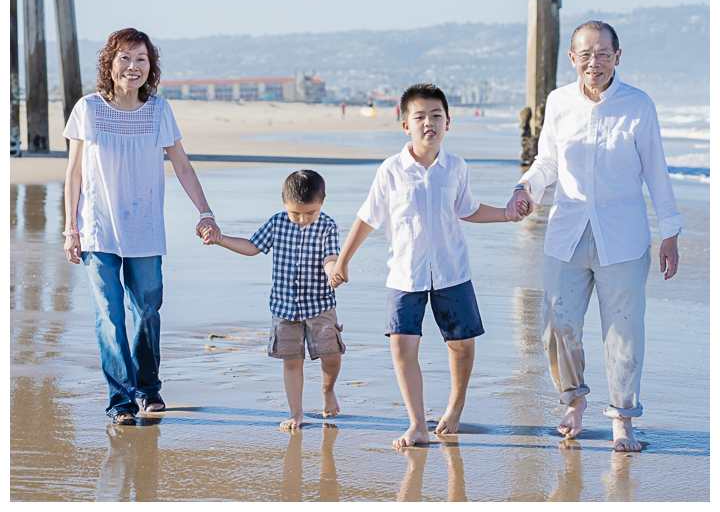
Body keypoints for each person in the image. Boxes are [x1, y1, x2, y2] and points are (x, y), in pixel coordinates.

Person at [506, 21, 683, 454]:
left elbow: (656, 171)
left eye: (603, 53)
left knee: (623, 334)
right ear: (572, 59)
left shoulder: (639, 106)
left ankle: (623, 420)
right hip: (567, 233)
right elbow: (546, 161)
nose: (594, 62)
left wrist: (670, 232)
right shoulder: (559, 101)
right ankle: (573, 401)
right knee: (555, 325)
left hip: (622, 237)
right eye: (586, 54)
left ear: (617, 57)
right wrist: (525, 188)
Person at [328, 83, 530, 448]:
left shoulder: (456, 167)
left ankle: (455, 405)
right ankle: (417, 424)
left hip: (453, 271)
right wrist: (343, 261)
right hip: (406, 275)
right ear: (405, 123)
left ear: (448, 122)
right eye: (419, 117)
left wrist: (506, 214)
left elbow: (467, 208)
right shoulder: (391, 170)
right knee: (403, 347)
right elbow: (367, 218)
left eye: (436, 115)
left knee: (462, 345)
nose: (428, 123)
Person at [62, 28, 218, 424]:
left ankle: (147, 387)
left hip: (145, 230)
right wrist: (71, 229)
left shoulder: (159, 110)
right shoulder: (88, 108)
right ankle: (121, 400)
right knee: (109, 316)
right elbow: (74, 173)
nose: (133, 67)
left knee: (148, 310)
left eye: (141, 59)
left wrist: (205, 211)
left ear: (151, 67)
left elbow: (181, 164)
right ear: (110, 64)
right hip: (98, 230)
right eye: (125, 59)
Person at [200, 170, 345, 431]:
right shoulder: (277, 223)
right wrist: (220, 239)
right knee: (292, 362)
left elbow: (330, 258)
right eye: (296, 213)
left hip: (320, 305)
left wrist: (333, 272)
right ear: (284, 202)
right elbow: (253, 247)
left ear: (322, 201)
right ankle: (296, 412)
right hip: (284, 307)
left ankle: (328, 390)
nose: (302, 220)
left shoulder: (328, 226)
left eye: (310, 213)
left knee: (331, 355)